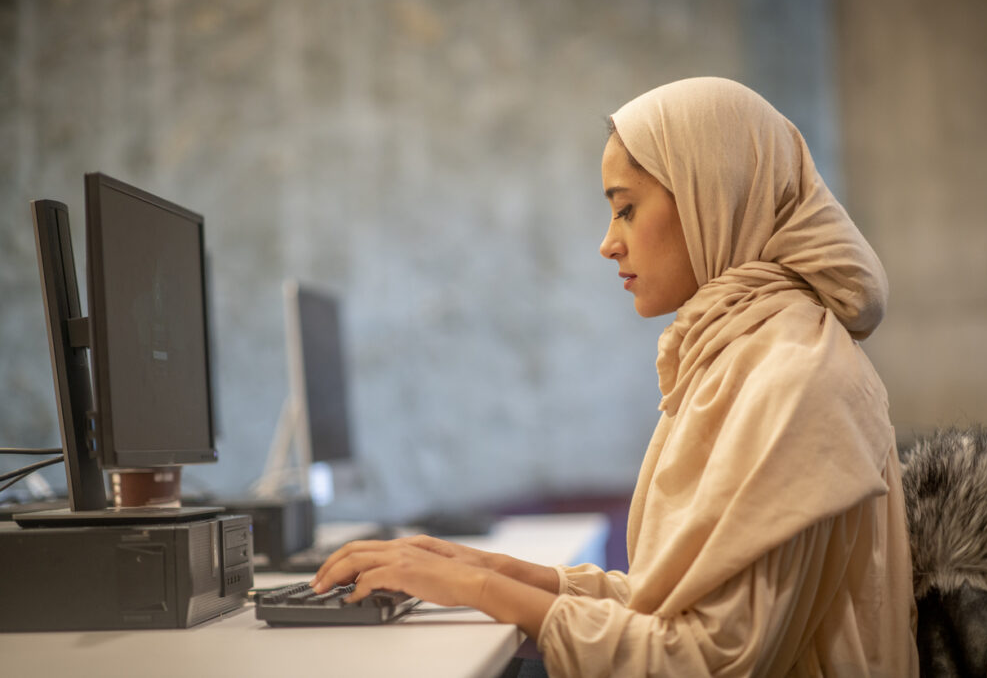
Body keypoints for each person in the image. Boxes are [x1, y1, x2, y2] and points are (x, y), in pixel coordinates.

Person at [312, 77, 919, 676]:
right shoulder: (742, 354)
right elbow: (669, 608)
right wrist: (480, 569)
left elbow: (707, 659)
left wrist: (476, 588)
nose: (608, 243)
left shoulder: (796, 375)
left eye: (626, 209)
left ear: (712, 195)